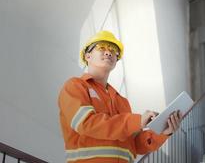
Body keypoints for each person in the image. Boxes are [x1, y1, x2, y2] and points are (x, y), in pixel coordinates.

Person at [58, 30, 182, 163]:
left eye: (113, 50)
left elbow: (134, 145)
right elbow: (86, 123)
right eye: (101, 47)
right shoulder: (75, 86)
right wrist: (137, 121)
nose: (108, 52)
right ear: (87, 56)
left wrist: (163, 133)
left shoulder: (122, 101)